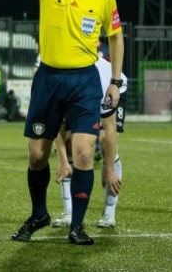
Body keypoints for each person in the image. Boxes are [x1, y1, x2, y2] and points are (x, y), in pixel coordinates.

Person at [0, 0, 125, 245]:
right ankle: (39, 213)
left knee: (85, 151)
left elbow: (116, 38)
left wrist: (114, 81)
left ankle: (77, 225)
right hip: (49, 79)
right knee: (37, 154)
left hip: (85, 81)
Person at [53, 56, 128, 229]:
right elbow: (59, 126)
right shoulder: (59, 79)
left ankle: (109, 213)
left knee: (104, 141)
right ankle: (68, 212)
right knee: (71, 145)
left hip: (112, 92)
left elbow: (109, 130)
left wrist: (108, 168)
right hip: (81, 96)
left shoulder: (102, 77)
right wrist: (62, 161)